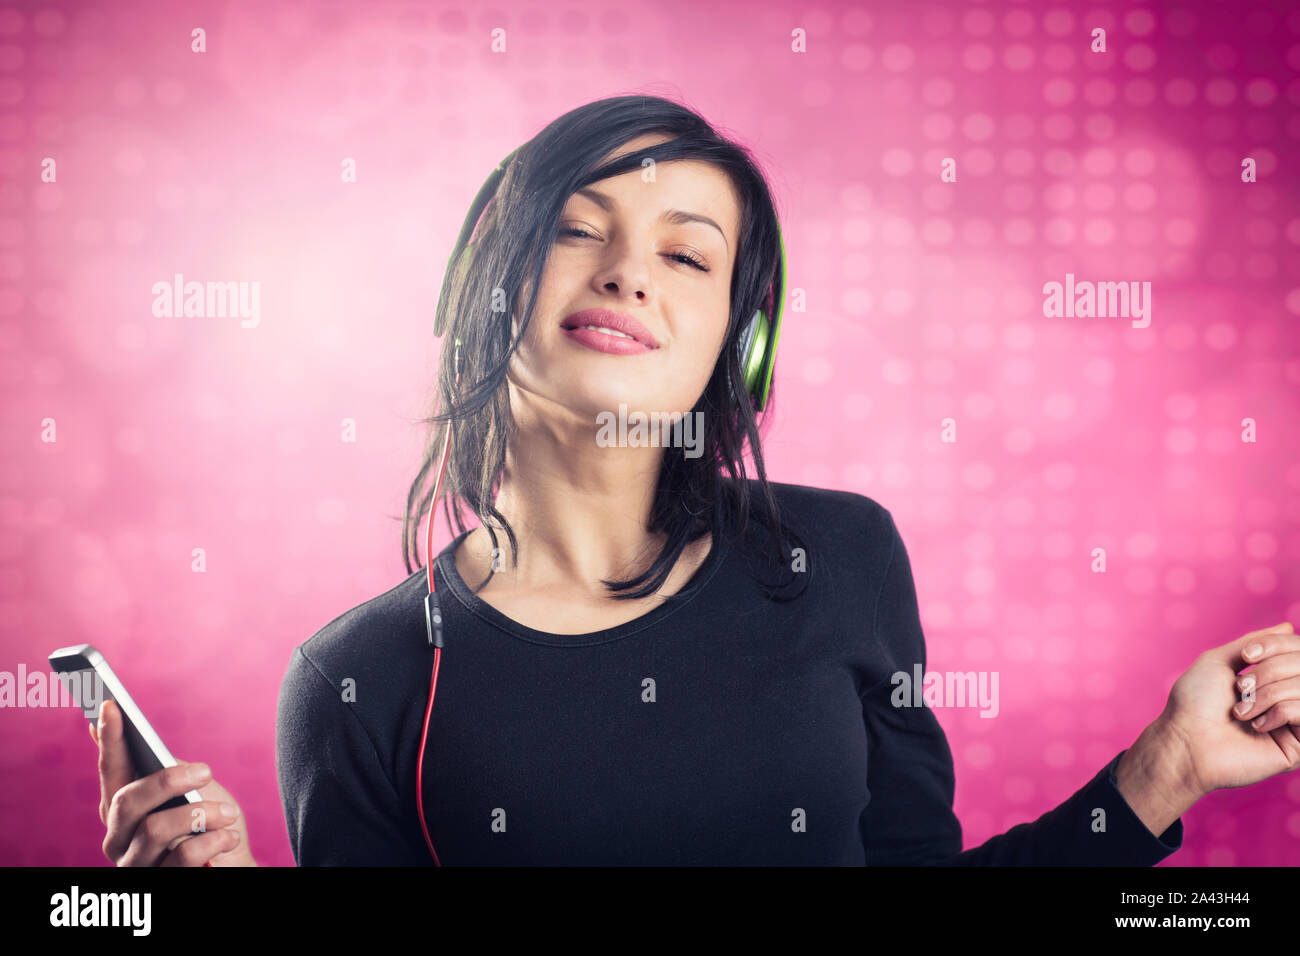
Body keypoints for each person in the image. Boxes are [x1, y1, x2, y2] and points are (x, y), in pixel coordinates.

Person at [90, 95, 1300, 867]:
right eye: (579, 227)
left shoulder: (841, 559)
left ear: (736, 340)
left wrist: (1171, 763)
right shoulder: (353, 677)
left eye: (685, 253)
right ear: (490, 286)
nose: (628, 272)